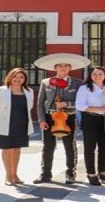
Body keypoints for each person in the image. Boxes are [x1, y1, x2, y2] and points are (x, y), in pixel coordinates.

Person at [33, 53, 90, 185]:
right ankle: (45, 173)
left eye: (66, 66)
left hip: (68, 117)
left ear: (70, 68)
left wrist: (67, 104)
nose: (63, 68)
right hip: (49, 116)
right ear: (55, 68)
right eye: (60, 66)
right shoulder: (46, 82)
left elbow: (81, 102)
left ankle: (71, 173)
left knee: (70, 145)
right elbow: (40, 102)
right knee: (48, 146)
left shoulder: (77, 83)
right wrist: (41, 120)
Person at [0, 68, 35, 186]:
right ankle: (8, 175)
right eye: (15, 76)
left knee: (17, 149)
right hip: (5, 123)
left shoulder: (29, 91)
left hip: (22, 123)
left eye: (21, 77)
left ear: (25, 80)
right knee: (7, 149)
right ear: (10, 77)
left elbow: (30, 107)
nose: (17, 79)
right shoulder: (0, 91)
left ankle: (15, 174)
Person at [75, 66, 105, 186]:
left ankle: (102, 173)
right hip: (90, 118)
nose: (97, 76)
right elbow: (79, 105)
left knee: (104, 147)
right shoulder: (85, 88)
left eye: (100, 74)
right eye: (94, 74)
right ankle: (91, 174)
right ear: (90, 76)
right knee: (90, 147)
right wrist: (99, 108)